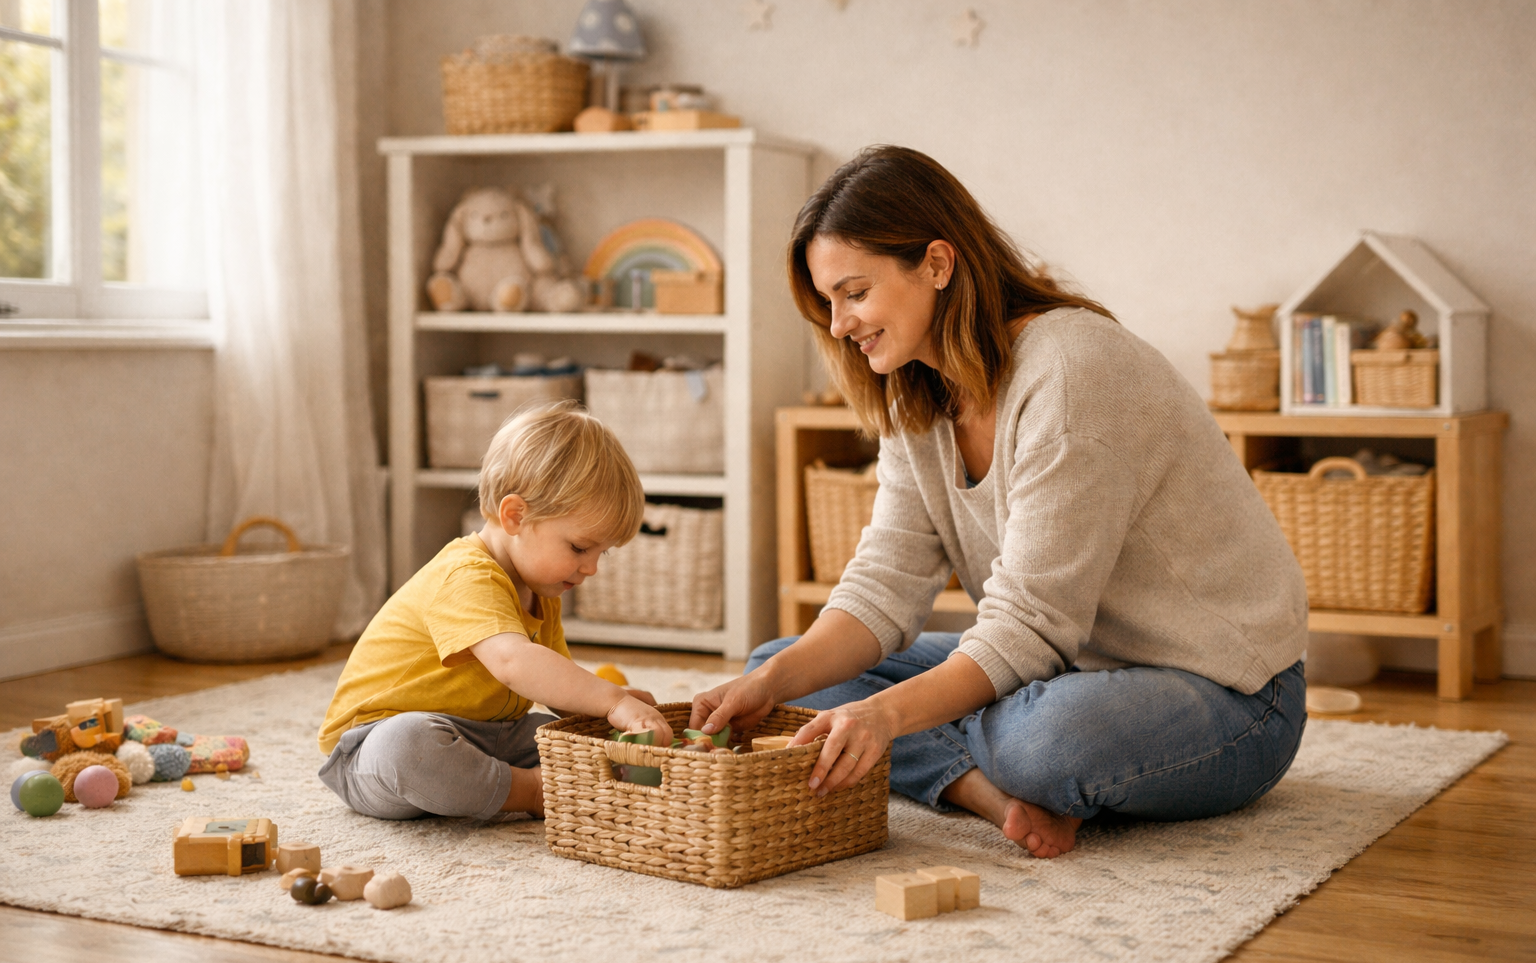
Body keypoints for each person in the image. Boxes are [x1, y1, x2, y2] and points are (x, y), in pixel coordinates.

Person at [691, 146, 1309, 858]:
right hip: (1070, 664)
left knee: (1039, 741)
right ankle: (978, 790)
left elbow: (1031, 625)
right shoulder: (917, 393)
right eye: (828, 302)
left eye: (853, 293)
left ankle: (995, 765)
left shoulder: (1072, 373)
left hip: (1230, 695)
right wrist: (772, 682)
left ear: (937, 265)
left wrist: (887, 716)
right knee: (778, 673)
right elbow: (883, 589)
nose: (838, 325)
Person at [317, 401, 672, 820]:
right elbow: (513, 662)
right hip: (374, 751)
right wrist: (611, 700)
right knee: (407, 744)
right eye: (579, 547)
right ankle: (532, 791)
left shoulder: (542, 591)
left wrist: (612, 715)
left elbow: (550, 682)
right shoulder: (465, 574)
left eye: (601, 554)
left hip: (487, 734)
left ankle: (587, 778)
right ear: (515, 515)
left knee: (566, 737)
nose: (590, 567)